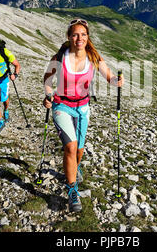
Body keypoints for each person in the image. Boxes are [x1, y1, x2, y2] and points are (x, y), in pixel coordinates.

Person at [43, 19, 124, 212]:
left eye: (83, 34)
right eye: (75, 34)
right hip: (62, 105)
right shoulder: (60, 57)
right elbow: (47, 79)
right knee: (70, 148)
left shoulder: (94, 57)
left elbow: (109, 77)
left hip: (83, 107)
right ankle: (72, 191)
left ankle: (74, 168)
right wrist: (48, 95)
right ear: (69, 37)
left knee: (79, 150)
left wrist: (116, 81)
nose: (79, 38)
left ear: (88, 37)